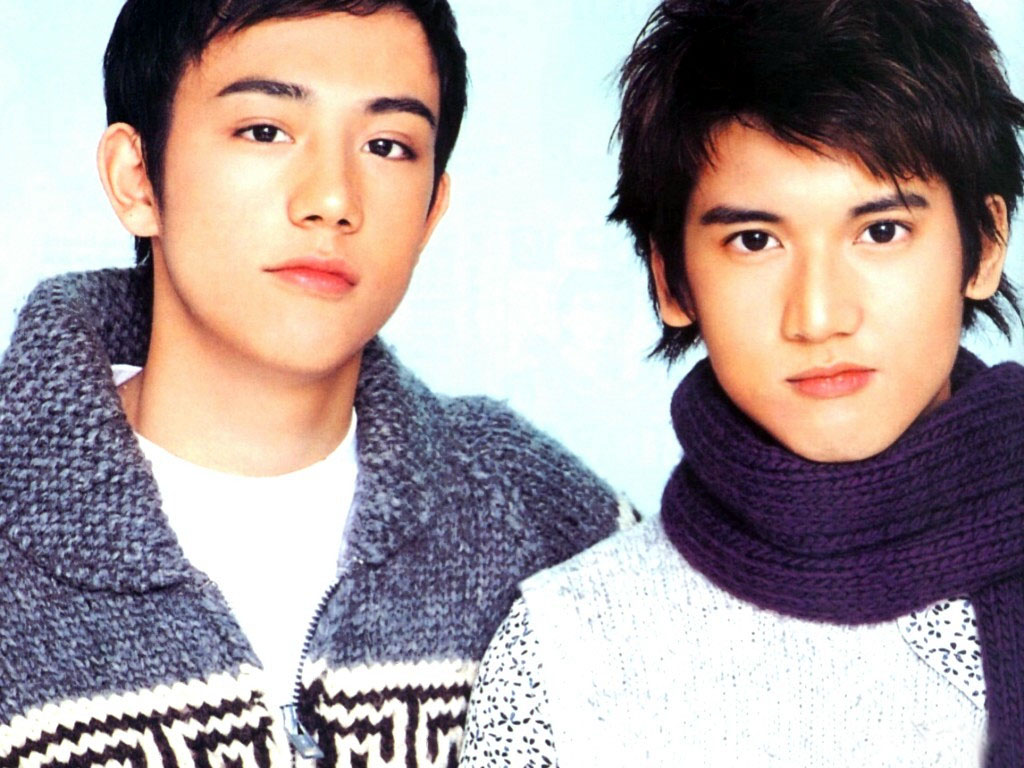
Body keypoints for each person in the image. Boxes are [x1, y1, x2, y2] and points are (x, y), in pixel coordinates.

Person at [0, 2, 631, 767]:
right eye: (265, 131)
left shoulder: (539, 515)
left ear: (432, 211)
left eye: (388, 145)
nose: (333, 199)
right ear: (137, 178)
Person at [459, 0, 1024, 765]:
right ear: (671, 280)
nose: (819, 316)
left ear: (984, 245)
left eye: (881, 231)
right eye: (756, 240)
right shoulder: (568, 653)